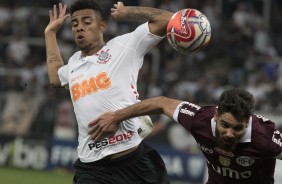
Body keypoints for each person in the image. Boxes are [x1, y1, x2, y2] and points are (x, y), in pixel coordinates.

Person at [44, 0, 173, 183]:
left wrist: (127, 12)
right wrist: (50, 33)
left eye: (87, 22)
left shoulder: (124, 46)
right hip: (92, 168)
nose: (79, 27)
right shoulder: (73, 64)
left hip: (133, 161)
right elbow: (56, 78)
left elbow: (167, 19)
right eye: (74, 24)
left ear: (102, 25)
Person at [89, 88, 282, 184]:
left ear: (247, 123)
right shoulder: (200, 120)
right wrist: (116, 116)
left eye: (237, 128)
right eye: (225, 125)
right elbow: (162, 103)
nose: (230, 134)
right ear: (216, 115)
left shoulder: (265, 138)